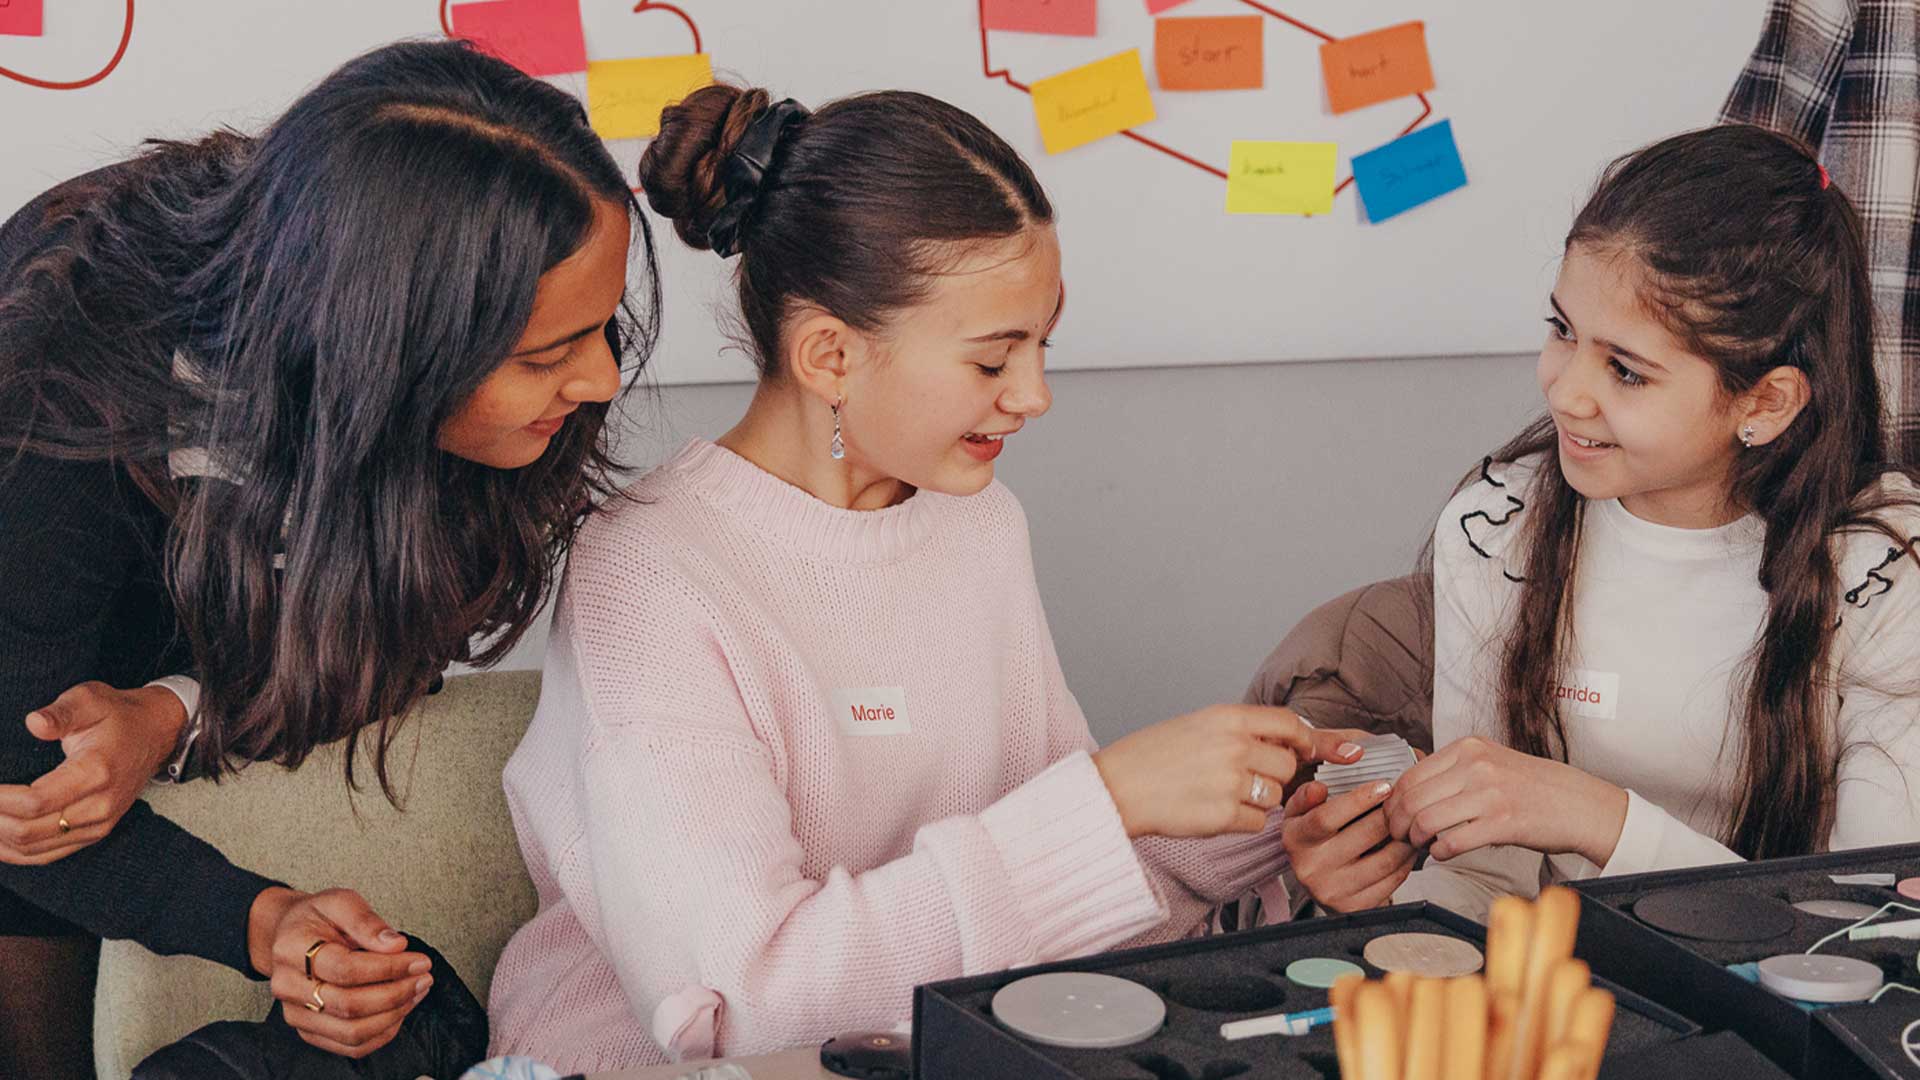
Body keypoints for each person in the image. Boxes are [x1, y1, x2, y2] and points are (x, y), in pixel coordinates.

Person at [486, 84, 1363, 1071]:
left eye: (1042, 346)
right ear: (830, 355)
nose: (1034, 395)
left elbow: (1037, 899)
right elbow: (736, 1003)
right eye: (994, 361)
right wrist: (1109, 801)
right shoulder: (648, 573)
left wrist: (1275, 821)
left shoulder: (977, 524)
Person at [0, 39, 657, 1076]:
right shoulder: (62, 346)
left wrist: (175, 709)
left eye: (602, 326)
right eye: (543, 354)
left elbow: (402, 639)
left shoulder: (469, 413)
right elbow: (22, 783)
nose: (601, 379)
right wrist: (257, 922)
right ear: (386, 346)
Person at [1281, 124, 1920, 920]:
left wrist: (1596, 818)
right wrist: (1376, 881)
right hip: (1562, 983)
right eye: (1561, 331)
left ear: (1765, 403)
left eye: (1625, 370)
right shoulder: (1498, 525)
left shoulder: (1884, 573)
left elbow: (1875, 929)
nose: (1564, 392)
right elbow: (1483, 880)